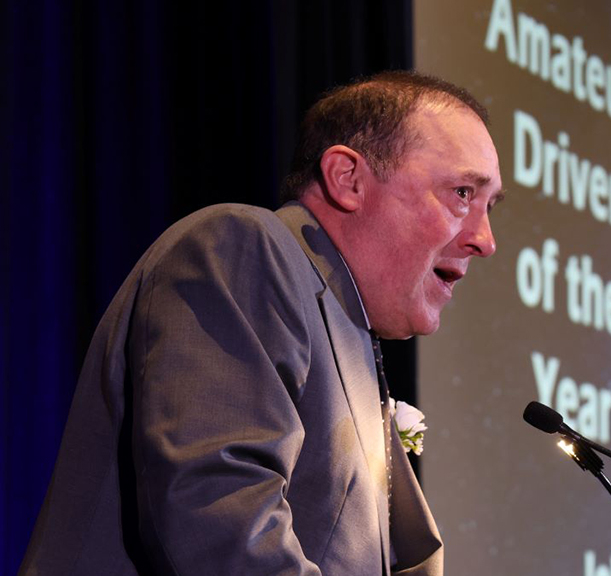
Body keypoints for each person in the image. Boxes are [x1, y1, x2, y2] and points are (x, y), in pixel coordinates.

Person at [19, 71, 504, 576]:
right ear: (348, 179)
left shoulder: (348, 329)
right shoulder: (245, 247)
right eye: (463, 193)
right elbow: (220, 516)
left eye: (489, 206)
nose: (485, 240)